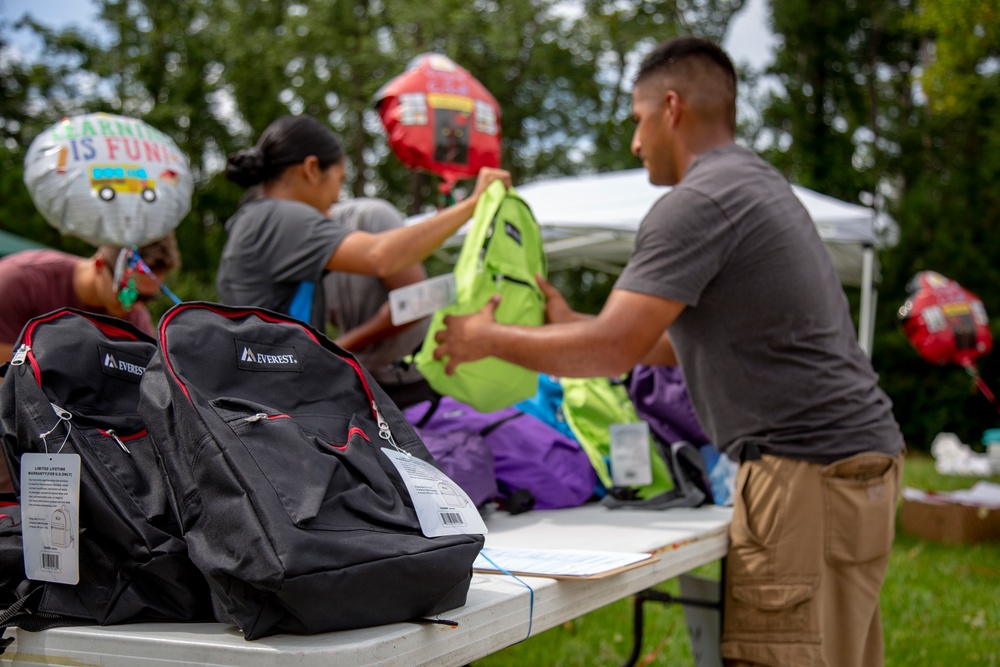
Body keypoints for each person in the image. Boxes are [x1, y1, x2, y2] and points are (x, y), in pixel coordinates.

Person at [433, 36, 904, 667]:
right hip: (854, 467)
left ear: (671, 108)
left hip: (805, 473)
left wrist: (482, 338)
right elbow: (671, 343)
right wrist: (572, 321)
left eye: (637, 119)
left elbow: (611, 350)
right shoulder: (757, 184)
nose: (634, 141)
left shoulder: (696, 203)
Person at [217, 114, 510, 336]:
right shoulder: (281, 217)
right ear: (311, 169)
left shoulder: (253, 217)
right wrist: (472, 205)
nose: (336, 198)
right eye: (339, 181)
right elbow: (380, 256)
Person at [0, 234, 180, 495]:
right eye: (128, 292)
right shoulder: (19, 280)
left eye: (147, 298)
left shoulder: (133, 320)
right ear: (98, 265)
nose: (136, 305)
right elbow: (6, 381)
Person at [323, 198, 433, 408]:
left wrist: (339, 347)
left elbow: (416, 300)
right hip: (360, 382)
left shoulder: (370, 216)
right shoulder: (284, 248)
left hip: (413, 378)